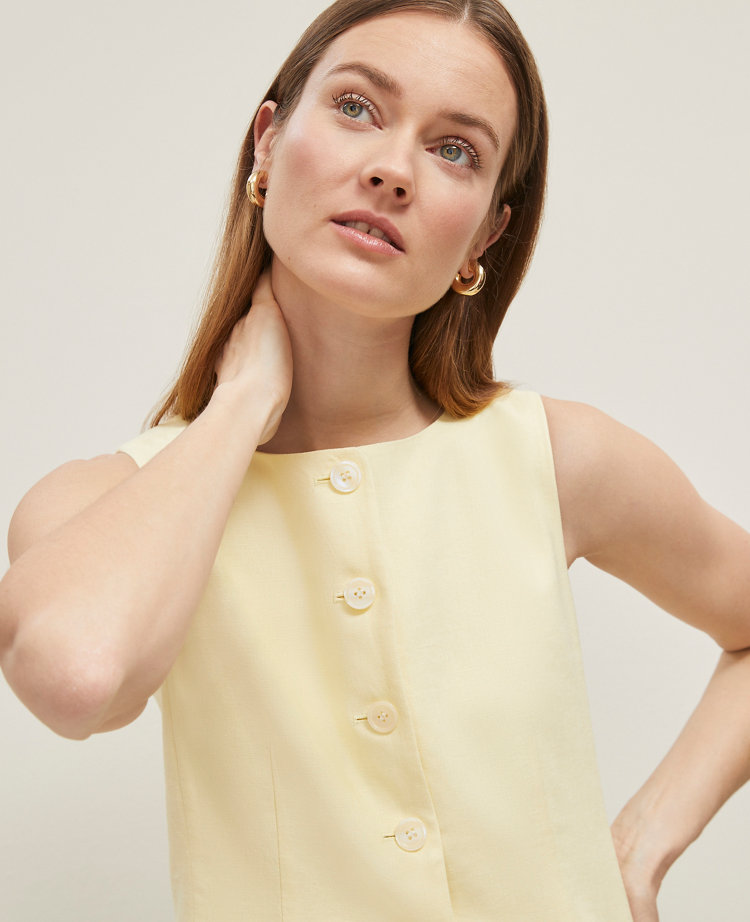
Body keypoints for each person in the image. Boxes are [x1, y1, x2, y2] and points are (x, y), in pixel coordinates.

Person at [1, 0, 749, 919]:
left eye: (455, 150)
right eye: (357, 107)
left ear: (484, 235)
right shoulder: (107, 502)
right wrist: (241, 407)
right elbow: (76, 680)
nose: (393, 170)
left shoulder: (555, 457)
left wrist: (638, 851)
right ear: (266, 144)